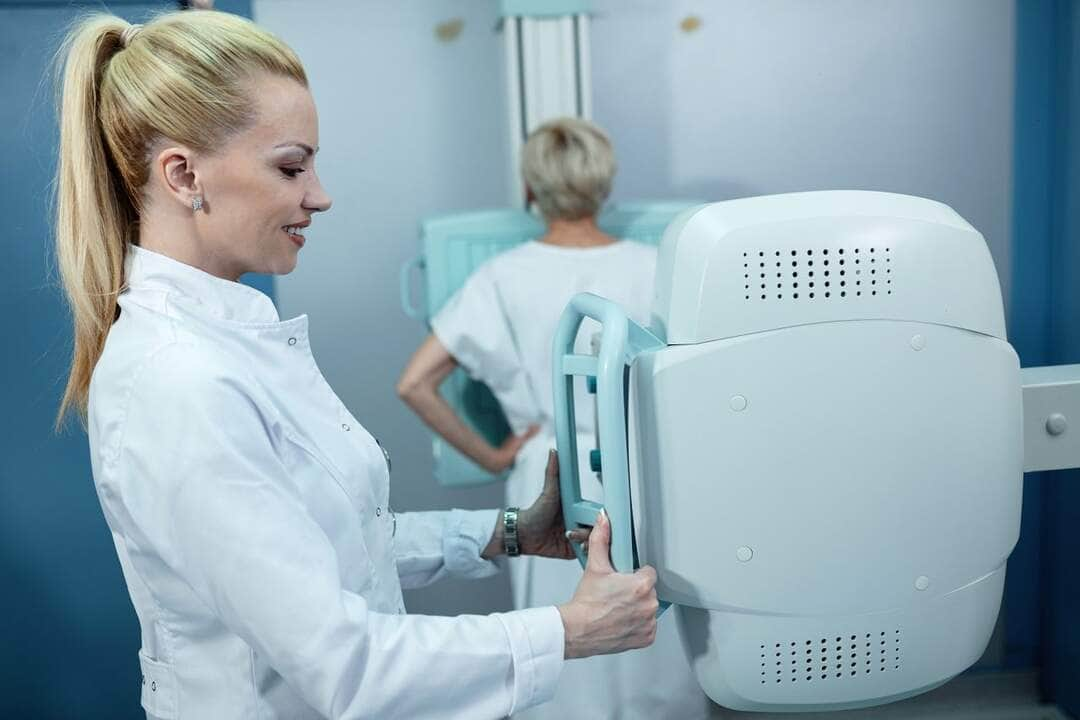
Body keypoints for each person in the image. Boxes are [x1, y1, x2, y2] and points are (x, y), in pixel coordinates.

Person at [53, 11, 659, 719]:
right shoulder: (178, 380)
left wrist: (514, 531)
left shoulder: (230, 346)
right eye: (291, 166)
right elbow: (343, 667)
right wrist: (569, 631)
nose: (320, 194)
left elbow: (342, 543)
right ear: (184, 174)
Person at [398, 118, 712, 719]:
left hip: (552, 473)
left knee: (565, 645)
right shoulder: (660, 266)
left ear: (530, 189)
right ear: (604, 183)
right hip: (648, 472)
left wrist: (493, 456)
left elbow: (414, 383)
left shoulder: (502, 275)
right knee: (656, 631)